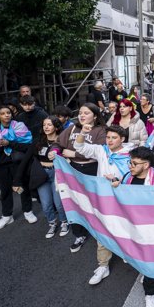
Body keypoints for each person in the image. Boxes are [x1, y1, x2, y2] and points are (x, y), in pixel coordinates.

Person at [74, 124, 134, 286]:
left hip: (123, 200)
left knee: (124, 229)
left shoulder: (131, 154)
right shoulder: (102, 151)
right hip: (102, 199)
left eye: (114, 138)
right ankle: (103, 265)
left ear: (122, 139)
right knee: (102, 231)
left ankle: (129, 255)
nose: (110, 141)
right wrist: (83, 133)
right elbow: (79, 146)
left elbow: (135, 176)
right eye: (108, 137)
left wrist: (118, 181)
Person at [110, 146, 154, 307]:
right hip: (133, 226)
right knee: (139, 255)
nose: (130, 166)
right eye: (130, 162)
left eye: (134, 163)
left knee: (150, 260)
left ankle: (150, 294)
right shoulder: (127, 177)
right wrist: (116, 185)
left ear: (146, 165)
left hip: (151, 229)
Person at [57, 103, 107, 252]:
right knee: (74, 201)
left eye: (86, 113)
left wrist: (75, 153)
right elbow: (58, 144)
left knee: (94, 202)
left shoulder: (101, 130)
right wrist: (54, 151)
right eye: (80, 113)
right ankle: (79, 234)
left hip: (92, 169)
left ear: (95, 116)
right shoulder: (72, 128)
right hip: (72, 169)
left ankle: (100, 232)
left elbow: (100, 151)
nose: (82, 115)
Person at [13, 116, 69, 239]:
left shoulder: (62, 141)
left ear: (56, 126)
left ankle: (65, 222)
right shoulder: (38, 142)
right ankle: (52, 224)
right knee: (46, 204)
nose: (46, 127)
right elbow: (26, 160)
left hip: (57, 174)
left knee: (59, 204)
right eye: (44, 125)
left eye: (49, 125)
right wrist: (17, 180)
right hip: (42, 175)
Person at [0, 106, 35, 231]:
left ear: (12, 115)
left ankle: (27, 211)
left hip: (16, 164)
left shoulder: (19, 126)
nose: (6, 115)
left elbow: (27, 146)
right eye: (3, 113)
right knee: (5, 190)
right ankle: (7, 216)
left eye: (8, 113)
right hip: (0, 166)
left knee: (22, 187)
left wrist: (9, 143)